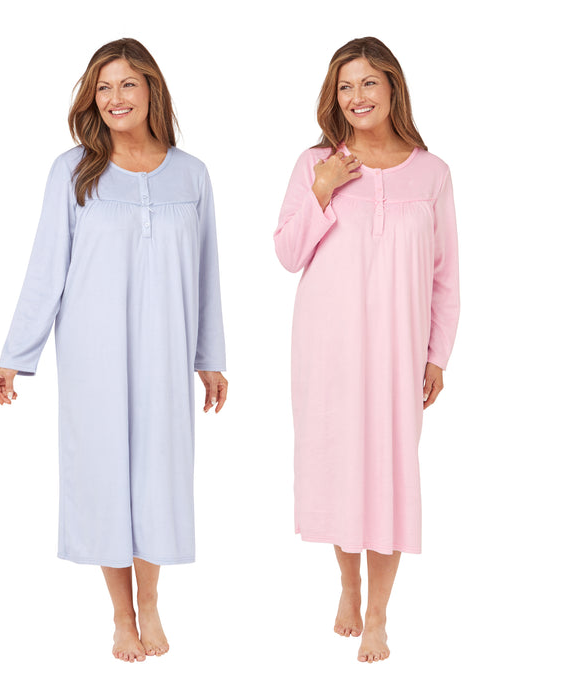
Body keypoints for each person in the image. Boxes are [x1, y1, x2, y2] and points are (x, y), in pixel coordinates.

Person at [0, 38, 227, 663]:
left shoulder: (192, 174)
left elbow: (206, 273)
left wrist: (210, 358)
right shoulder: (73, 170)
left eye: (127, 84)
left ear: (151, 89)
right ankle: (121, 614)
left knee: (158, 474)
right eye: (103, 87)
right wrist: (16, 353)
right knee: (103, 474)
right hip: (92, 351)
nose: (115, 98)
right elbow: (47, 265)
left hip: (166, 349)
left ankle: (151, 600)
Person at [273, 37, 459, 663]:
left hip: (399, 351)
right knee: (339, 466)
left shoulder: (432, 173)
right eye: (345, 86)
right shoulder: (315, 162)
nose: (357, 96)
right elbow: (287, 253)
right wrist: (323, 189)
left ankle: (378, 613)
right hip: (327, 350)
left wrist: (437, 355)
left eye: (368, 83)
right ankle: (348, 586)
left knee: (391, 473)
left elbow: (446, 275)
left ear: (392, 88)